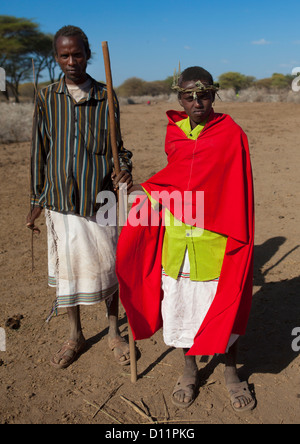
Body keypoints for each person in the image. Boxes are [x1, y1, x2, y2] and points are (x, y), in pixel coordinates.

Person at [116, 67, 255, 412]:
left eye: (204, 94)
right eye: (189, 95)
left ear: (215, 94)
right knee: (179, 302)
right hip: (178, 235)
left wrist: (150, 188)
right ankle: (189, 369)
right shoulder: (174, 133)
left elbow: (229, 183)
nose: (197, 101)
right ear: (179, 96)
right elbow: (178, 178)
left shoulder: (230, 133)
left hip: (216, 234)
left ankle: (230, 370)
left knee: (221, 303)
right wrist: (132, 186)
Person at [27, 26, 133, 369]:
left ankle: (115, 332)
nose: (71, 61)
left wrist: (125, 169)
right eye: (64, 55)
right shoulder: (46, 97)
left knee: (109, 265)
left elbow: (118, 147)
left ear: (87, 54)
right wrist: (35, 197)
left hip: (99, 197)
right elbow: (38, 149)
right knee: (67, 269)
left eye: (77, 54)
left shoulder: (106, 95)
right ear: (55, 57)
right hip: (59, 198)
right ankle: (75, 334)